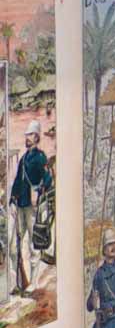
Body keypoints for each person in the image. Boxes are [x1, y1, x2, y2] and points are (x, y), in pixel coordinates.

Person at [9, 122, 50, 296]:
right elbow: (18, 181)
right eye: (26, 135)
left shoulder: (40, 157)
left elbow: (48, 179)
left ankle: (33, 283)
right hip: (20, 205)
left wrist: (38, 191)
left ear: (36, 137)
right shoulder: (24, 159)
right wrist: (12, 199)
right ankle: (16, 283)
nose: (27, 138)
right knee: (15, 246)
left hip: (32, 208)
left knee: (34, 246)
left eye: (30, 135)